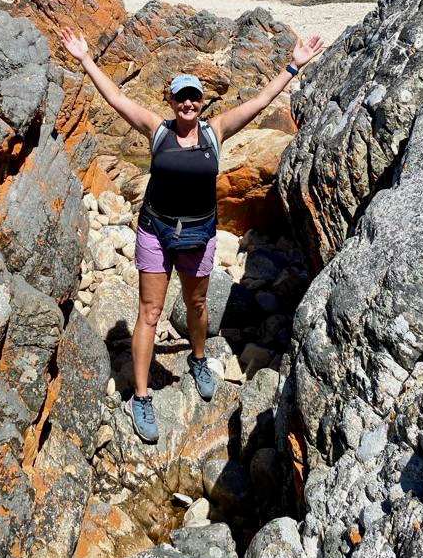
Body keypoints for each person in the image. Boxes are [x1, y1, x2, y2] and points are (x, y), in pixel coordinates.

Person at [60, 25, 324, 443]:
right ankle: (142, 397)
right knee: (149, 311)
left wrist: (293, 65)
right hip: (155, 231)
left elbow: (258, 103)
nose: (187, 103)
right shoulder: (157, 130)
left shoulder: (215, 132)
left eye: (194, 97)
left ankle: (199, 358)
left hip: (199, 233)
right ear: (171, 102)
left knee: (197, 303)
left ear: (202, 103)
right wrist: (86, 59)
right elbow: (117, 99)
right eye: (181, 96)